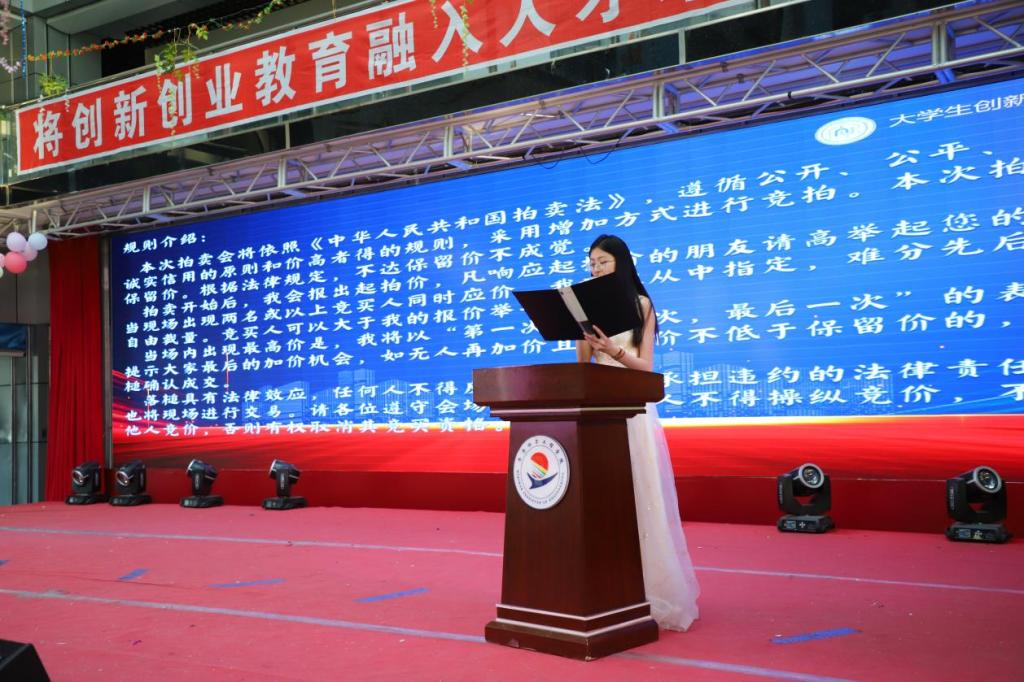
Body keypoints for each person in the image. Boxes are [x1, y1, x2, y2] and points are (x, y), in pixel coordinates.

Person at [575, 234, 700, 632]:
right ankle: (606, 588)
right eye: (592, 263)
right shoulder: (585, 306)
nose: (596, 269)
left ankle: (649, 589)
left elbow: (646, 366)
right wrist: (582, 336)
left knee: (639, 497)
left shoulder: (641, 304)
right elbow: (583, 366)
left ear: (621, 263)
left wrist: (613, 351)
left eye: (603, 262)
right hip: (597, 409)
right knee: (603, 498)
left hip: (632, 408)